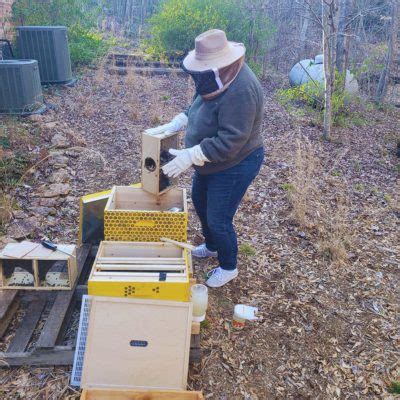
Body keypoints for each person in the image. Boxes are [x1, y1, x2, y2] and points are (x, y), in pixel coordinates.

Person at [145, 29, 264, 288]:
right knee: (200, 200)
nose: (199, 76)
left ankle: (228, 266)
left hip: (236, 162)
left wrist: (193, 154)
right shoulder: (215, 75)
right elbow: (201, 101)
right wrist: (180, 120)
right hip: (211, 161)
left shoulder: (241, 89)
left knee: (218, 218)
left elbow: (232, 140)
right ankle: (211, 247)